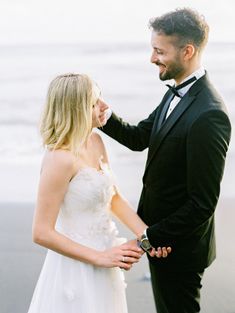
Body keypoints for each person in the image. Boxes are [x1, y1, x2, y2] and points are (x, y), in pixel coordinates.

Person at [101, 8, 232, 313]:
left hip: (178, 247)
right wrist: (102, 115)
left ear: (187, 51)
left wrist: (150, 237)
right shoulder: (174, 93)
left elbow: (202, 203)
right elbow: (138, 138)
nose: (152, 58)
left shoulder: (209, 115)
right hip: (160, 238)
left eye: (159, 51)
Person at [27, 73, 170, 313]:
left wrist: (147, 237)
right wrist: (99, 257)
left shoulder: (95, 141)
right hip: (76, 266)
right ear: (76, 109)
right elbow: (41, 232)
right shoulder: (59, 159)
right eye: (95, 103)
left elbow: (113, 198)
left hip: (107, 256)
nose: (104, 107)